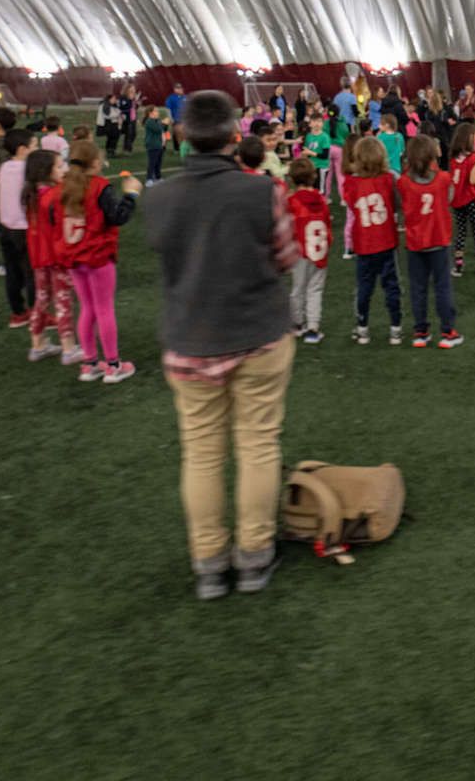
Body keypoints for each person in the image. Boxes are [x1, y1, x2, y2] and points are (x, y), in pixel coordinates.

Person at [142, 90, 298, 601]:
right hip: (258, 335)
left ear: (181, 135)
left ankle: (210, 562)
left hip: (191, 339)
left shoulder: (159, 196)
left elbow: (170, 257)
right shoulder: (263, 191)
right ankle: (254, 556)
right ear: (236, 136)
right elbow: (286, 255)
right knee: (256, 444)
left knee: (202, 454)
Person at [41, 141, 139, 383]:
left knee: (87, 308)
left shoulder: (61, 189)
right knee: (104, 308)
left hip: (73, 256)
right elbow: (118, 217)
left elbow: (54, 220)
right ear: (95, 162)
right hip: (97, 256)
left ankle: (90, 363)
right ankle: (114, 365)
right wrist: (131, 195)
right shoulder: (99, 187)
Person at [398, 135, 458, 348]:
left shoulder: (404, 181)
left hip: (416, 242)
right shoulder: (443, 179)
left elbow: (401, 203)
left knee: (418, 288)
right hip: (439, 240)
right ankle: (447, 331)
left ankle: (420, 331)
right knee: (442, 286)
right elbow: (449, 199)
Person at [342, 136, 403, 347]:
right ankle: (395, 328)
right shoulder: (388, 179)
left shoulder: (352, 183)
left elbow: (350, 203)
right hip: (386, 240)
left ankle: (362, 328)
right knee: (392, 286)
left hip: (364, 243)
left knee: (364, 287)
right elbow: (397, 204)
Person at [20, 150, 78, 364]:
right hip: (56, 256)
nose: (64, 170)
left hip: (38, 255)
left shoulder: (31, 193)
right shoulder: (55, 195)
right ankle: (69, 348)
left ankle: (38, 344)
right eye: (60, 166)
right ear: (46, 171)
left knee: (42, 298)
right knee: (63, 300)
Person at [0, 130, 38, 330]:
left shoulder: (4, 167)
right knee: (31, 273)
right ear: (22, 149)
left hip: (6, 226)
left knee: (12, 270)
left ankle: (18, 313)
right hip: (23, 227)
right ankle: (38, 315)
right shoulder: (27, 170)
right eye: (34, 146)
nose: (37, 149)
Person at [284, 159, 329, 344]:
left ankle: (297, 323)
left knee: (298, 288)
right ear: (314, 176)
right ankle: (313, 327)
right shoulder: (321, 200)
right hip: (319, 249)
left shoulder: (291, 201)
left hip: (300, 249)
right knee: (315, 289)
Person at [447, 122, 475, 277]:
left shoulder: (453, 158)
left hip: (457, 200)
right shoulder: (473, 158)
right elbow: (473, 180)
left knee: (461, 232)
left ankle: (458, 265)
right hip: (471, 198)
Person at [141, 106, 170, 184]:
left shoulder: (157, 120)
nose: (158, 112)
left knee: (158, 163)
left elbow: (164, 130)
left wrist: (165, 124)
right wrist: (163, 123)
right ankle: (149, 179)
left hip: (160, 145)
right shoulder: (149, 121)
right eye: (156, 111)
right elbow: (158, 130)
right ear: (151, 113)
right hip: (153, 145)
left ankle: (158, 177)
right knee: (152, 163)